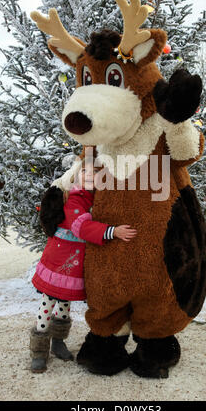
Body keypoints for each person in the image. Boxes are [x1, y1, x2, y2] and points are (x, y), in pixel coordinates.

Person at [29, 158, 137, 373]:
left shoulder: (91, 197)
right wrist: (113, 231)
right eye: (86, 171)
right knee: (49, 301)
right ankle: (39, 349)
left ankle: (58, 342)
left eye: (96, 172)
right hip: (59, 262)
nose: (91, 175)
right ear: (77, 174)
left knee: (64, 302)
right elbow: (82, 227)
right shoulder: (74, 198)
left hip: (73, 263)